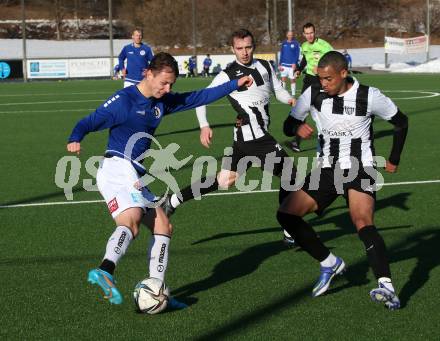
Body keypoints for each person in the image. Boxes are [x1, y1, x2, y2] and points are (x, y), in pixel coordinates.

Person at [66, 52, 252, 307]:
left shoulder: (161, 101)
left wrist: (234, 84)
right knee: (130, 222)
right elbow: (90, 121)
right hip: (117, 168)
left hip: (133, 172)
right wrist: (76, 137)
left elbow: (198, 96)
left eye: (171, 84)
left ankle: (157, 290)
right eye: (163, 82)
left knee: (163, 226)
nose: (167, 89)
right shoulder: (125, 99)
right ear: (148, 74)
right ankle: (105, 269)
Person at [279, 51, 408, 309]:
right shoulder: (313, 93)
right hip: (327, 170)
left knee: (362, 221)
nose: (323, 84)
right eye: (320, 78)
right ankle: (329, 263)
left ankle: (386, 286)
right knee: (286, 215)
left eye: (328, 79)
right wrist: (296, 128)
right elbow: (287, 125)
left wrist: (394, 158)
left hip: (360, 168)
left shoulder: (369, 96)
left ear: (343, 73)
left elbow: (401, 122)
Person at [161, 28, 297, 247]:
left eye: (248, 47)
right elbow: (202, 99)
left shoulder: (266, 66)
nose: (244, 52)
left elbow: (278, 90)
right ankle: (291, 229)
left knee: (224, 180)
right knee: (291, 174)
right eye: (240, 48)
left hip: (245, 138)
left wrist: (290, 100)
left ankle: (173, 200)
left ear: (254, 47)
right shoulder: (227, 75)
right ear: (232, 49)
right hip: (255, 137)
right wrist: (204, 125)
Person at [289, 22, 333, 153]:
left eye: (311, 33)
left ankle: (330, 141)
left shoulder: (324, 45)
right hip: (308, 81)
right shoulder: (304, 46)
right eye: (306, 33)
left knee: (323, 111)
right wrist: (298, 70)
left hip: (321, 81)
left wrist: (321, 69)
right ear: (303, 34)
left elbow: (334, 60)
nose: (309, 36)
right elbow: (304, 61)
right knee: (302, 111)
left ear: (315, 32)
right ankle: (296, 141)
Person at [278, 30, 301, 97]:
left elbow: (297, 54)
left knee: (292, 80)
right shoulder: (284, 43)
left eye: (291, 35)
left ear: (293, 35)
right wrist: (280, 64)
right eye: (289, 35)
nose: (290, 36)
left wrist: (294, 63)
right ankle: (283, 94)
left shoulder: (296, 43)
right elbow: (282, 54)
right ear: (287, 35)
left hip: (292, 66)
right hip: (283, 65)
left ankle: (293, 94)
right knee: (283, 79)